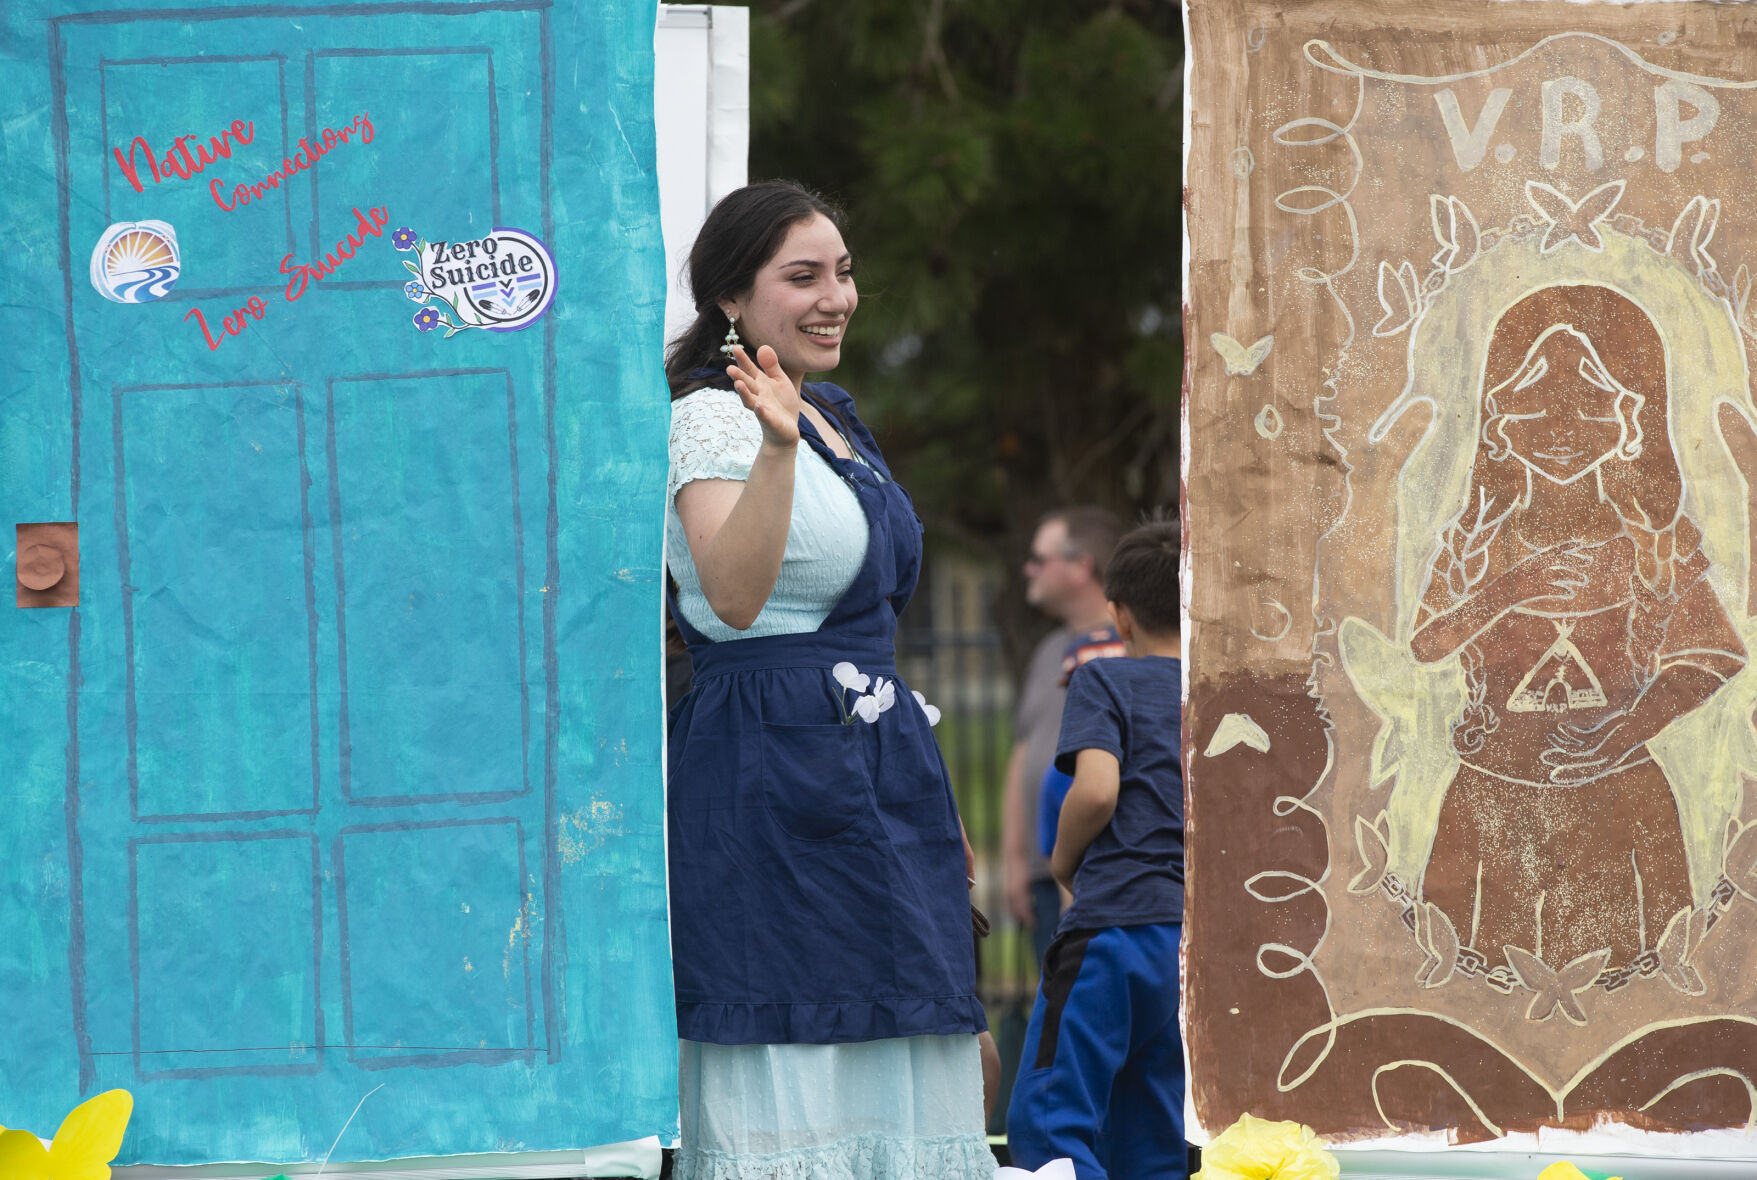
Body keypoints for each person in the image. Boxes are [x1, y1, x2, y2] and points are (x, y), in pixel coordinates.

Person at [663, 180, 993, 1179]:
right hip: (765, 772)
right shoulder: (709, 422)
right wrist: (772, 445)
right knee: (789, 1016)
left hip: (878, 766)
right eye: (800, 276)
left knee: (902, 1023)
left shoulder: (838, 416)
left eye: (843, 272)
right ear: (730, 299)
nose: (835, 296)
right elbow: (732, 595)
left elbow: (866, 624)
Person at [1410, 284, 1745, 980]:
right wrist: (1508, 591)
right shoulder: (1476, 540)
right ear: (1499, 416)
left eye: (1590, 399)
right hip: (1491, 799)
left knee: (1627, 972)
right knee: (1486, 982)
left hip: (1618, 800)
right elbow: (1425, 643)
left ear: (1630, 417)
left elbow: (1714, 653)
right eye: (1534, 397)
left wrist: (1627, 728)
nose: (1559, 424)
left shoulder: (1651, 538)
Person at [1007, 517, 1186, 1180]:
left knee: (1050, 1121)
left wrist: (1060, 860)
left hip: (1110, 929)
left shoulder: (1104, 681)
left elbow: (1097, 791)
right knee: (1150, 1125)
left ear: (1117, 614)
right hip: (1187, 943)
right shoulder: (1216, 692)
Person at [1003, 508, 1123, 967]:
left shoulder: (1131, 646)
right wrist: (1016, 860)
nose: (1028, 569)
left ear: (1081, 566)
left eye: (1040, 557)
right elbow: (1024, 751)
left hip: (1091, 868)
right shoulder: (1050, 650)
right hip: (1043, 869)